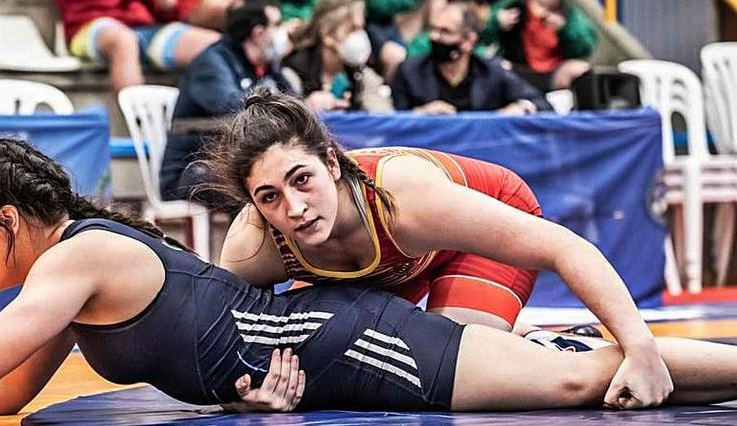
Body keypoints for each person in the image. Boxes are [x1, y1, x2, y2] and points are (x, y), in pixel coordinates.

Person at [0, 138, 737, 426]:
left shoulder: (78, 256)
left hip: (336, 336)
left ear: (9, 219)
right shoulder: (71, 275)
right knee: (548, 362)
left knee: (576, 380)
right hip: (312, 349)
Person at [210, 86, 675, 401]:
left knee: (456, 366)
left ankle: (553, 347)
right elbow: (214, 336)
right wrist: (245, 396)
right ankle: (539, 339)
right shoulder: (255, 242)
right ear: (252, 202)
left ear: (332, 163)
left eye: (302, 179)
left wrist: (641, 349)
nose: (293, 209)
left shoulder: (401, 199)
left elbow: (564, 247)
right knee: (394, 369)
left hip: (480, 224)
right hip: (400, 263)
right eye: (269, 196)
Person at [159, 0, 295, 202]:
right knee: (255, 182)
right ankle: (248, 234)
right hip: (188, 171)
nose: (282, 32)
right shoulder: (212, 62)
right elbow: (234, 108)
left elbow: (294, 103)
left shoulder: (264, 65)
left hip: (235, 161)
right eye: (275, 25)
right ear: (258, 33)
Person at [391, 0, 550, 114]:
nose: (434, 37)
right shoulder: (410, 71)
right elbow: (391, 123)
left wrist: (522, 108)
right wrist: (420, 115)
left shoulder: (492, 72)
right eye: (433, 29)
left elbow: (542, 104)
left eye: (445, 31)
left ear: (468, 41)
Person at [55, 0, 224, 93]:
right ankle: (139, 123)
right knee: (123, 41)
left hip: (147, 27)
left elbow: (175, 7)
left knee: (217, 46)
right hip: (90, 24)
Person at [283, 0, 393, 113]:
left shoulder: (360, 74)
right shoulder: (292, 73)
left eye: (361, 28)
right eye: (353, 29)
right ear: (328, 35)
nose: (360, 36)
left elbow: (385, 118)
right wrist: (306, 108)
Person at [478, 0, 596, 91]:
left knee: (580, 68)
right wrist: (496, 22)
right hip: (515, 70)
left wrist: (565, 29)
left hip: (552, 73)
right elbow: (479, 39)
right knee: (498, 67)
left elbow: (585, 48)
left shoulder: (568, 13)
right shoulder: (513, 6)